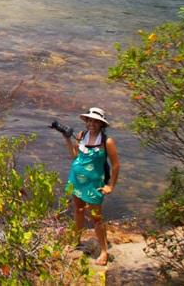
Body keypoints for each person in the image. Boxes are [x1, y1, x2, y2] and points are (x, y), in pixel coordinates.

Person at [60, 106, 120, 266]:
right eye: (89, 120)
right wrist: (67, 139)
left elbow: (115, 165)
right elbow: (75, 157)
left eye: (95, 121)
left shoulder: (107, 142)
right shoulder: (81, 135)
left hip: (94, 185)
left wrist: (111, 186)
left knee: (96, 218)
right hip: (75, 180)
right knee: (78, 210)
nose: (91, 123)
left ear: (101, 124)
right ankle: (76, 241)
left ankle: (104, 250)